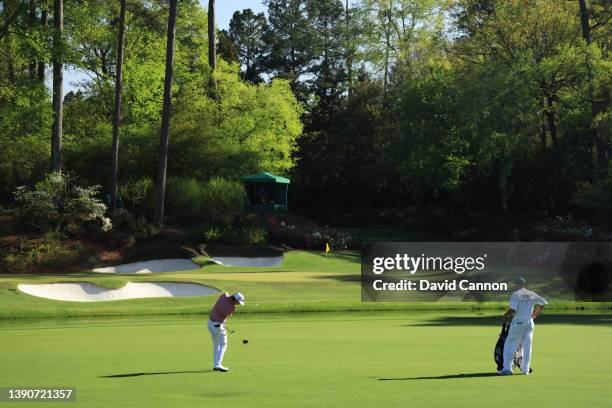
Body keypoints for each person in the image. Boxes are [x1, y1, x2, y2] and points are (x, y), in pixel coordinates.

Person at [500, 277, 547, 375]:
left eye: (514, 284)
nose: (513, 285)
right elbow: (543, 303)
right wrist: (534, 314)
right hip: (529, 322)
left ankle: (507, 369)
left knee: (510, 344)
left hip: (518, 321)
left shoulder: (516, 294)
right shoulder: (532, 293)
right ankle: (525, 370)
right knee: (527, 346)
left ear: (518, 284)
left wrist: (505, 315)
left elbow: (513, 309)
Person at [207, 292, 245, 372]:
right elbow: (225, 317)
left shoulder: (224, 295)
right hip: (218, 326)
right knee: (223, 344)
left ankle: (216, 364)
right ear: (235, 300)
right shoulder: (232, 308)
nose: (238, 304)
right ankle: (217, 365)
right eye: (238, 302)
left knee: (216, 345)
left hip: (210, 323)